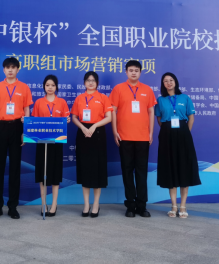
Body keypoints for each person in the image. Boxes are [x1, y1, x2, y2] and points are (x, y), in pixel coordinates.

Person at [0, 57, 32, 219]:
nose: (10, 70)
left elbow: (27, 110)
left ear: (18, 69)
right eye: (7, 67)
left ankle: (13, 207)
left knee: (15, 168)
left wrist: (25, 132)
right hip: (0, 127)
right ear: (3, 70)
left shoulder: (24, 87)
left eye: (13, 67)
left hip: (17, 127)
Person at [109, 60, 156, 218]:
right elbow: (113, 111)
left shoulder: (147, 90)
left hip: (143, 137)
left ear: (140, 72)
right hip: (124, 136)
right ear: (126, 72)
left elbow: (151, 112)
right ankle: (130, 205)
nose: (134, 72)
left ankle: (142, 206)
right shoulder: (118, 89)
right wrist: (114, 131)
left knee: (142, 172)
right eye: (131, 70)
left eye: (136, 70)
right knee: (127, 171)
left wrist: (150, 133)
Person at [155, 72, 201, 219]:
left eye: (171, 80)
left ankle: (183, 206)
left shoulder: (185, 98)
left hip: (183, 134)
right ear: (163, 84)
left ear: (175, 82)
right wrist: (168, 131)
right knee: (170, 168)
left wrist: (185, 133)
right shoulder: (160, 100)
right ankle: (174, 205)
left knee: (184, 168)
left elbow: (191, 118)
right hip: (166, 134)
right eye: (165, 81)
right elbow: (159, 119)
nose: (168, 83)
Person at [71, 71, 113, 218]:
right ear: (84, 83)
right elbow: (74, 117)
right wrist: (83, 128)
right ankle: (86, 204)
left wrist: (94, 126)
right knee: (85, 168)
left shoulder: (103, 98)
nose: (90, 83)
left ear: (97, 83)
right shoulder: (79, 98)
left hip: (98, 133)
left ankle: (96, 204)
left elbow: (109, 117)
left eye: (93, 80)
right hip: (83, 133)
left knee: (97, 169)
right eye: (88, 80)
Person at [32, 75, 70, 217]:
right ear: (44, 86)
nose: (50, 87)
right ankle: (43, 203)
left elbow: (66, 119)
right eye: (47, 85)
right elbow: (34, 120)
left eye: (53, 85)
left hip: (57, 143)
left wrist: (67, 120)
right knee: (42, 172)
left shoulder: (62, 102)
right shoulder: (39, 102)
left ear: (56, 87)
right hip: (42, 142)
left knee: (55, 173)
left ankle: (54, 204)